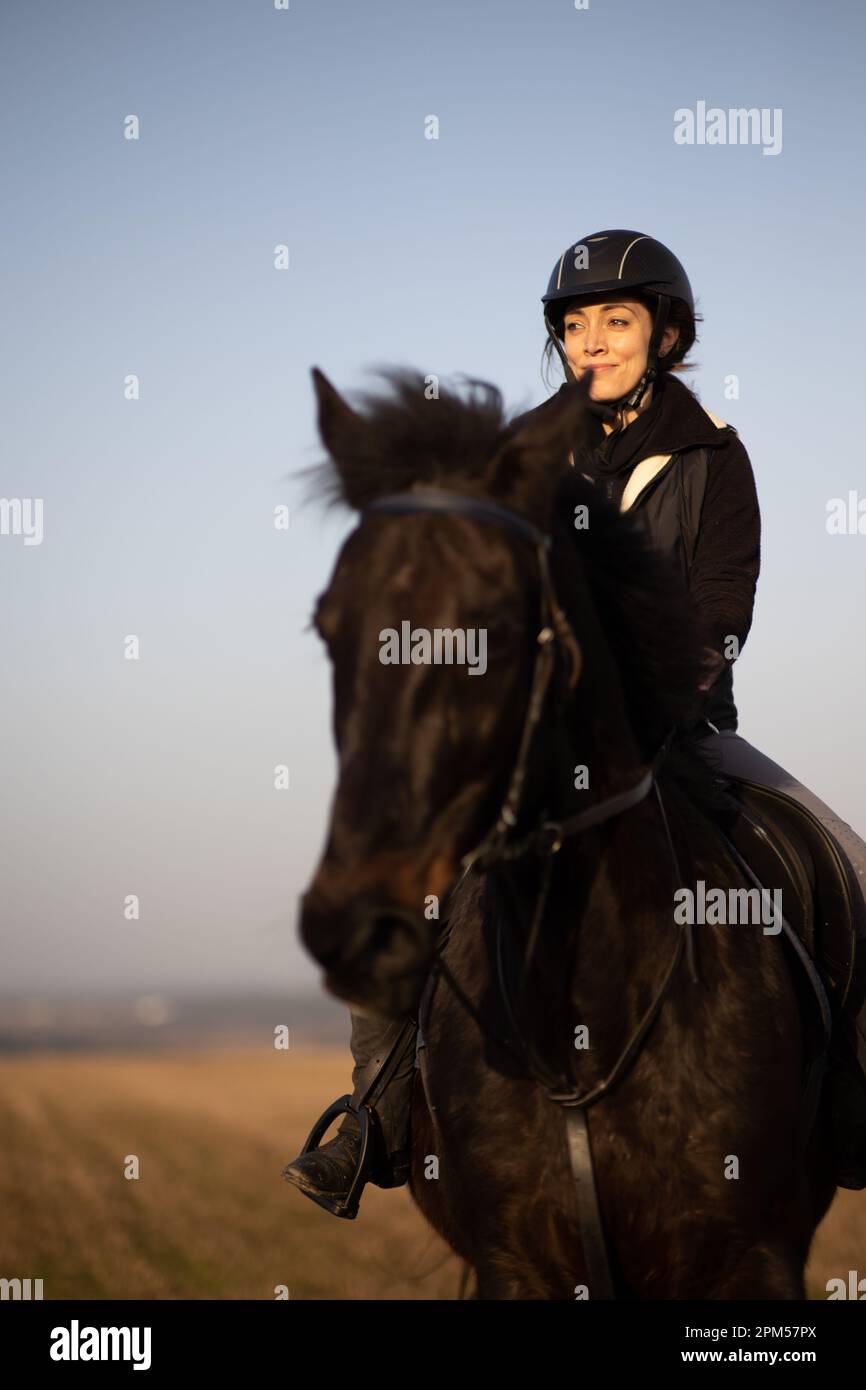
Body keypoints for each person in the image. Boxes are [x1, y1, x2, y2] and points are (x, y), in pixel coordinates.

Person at [282, 229, 866, 1217]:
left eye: (616, 321)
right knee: (409, 884)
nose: (592, 340)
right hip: (539, 746)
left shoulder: (712, 455)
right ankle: (373, 1118)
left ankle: (846, 1102)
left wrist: (675, 689)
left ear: (665, 335)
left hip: (685, 733)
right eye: (574, 324)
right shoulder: (511, 461)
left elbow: (723, 598)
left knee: (845, 857)